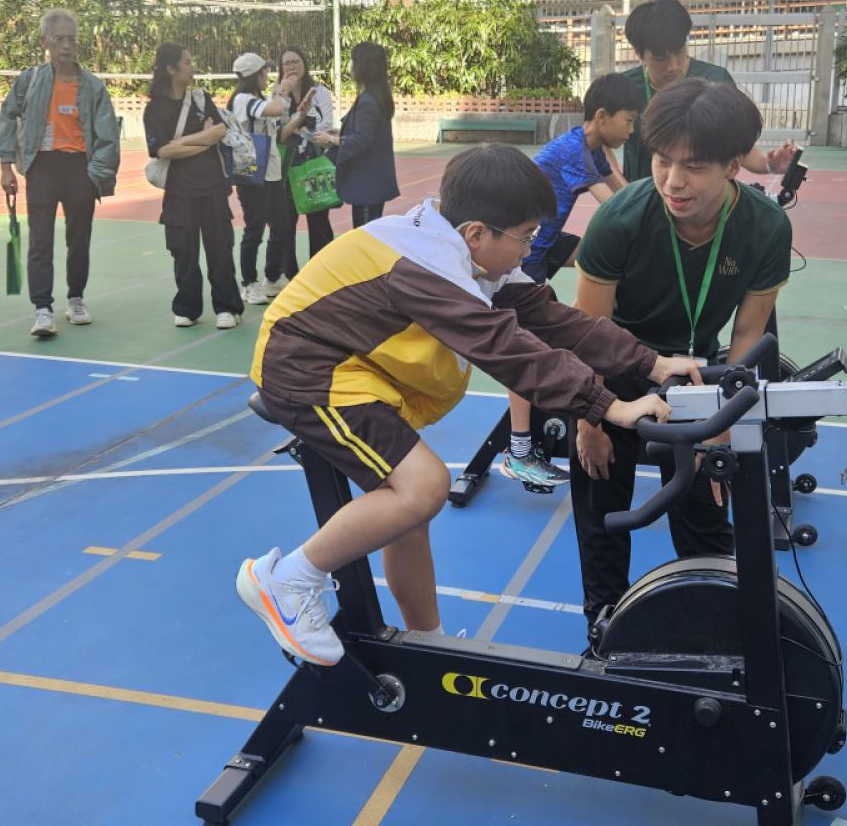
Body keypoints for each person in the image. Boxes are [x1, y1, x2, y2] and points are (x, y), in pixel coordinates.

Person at [236, 143, 704, 666]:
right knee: (424, 487)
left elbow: (553, 321)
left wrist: (649, 363)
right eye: (526, 237)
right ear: (477, 233)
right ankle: (287, 580)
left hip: (355, 369)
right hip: (308, 370)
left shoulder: (468, 254)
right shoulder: (426, 263)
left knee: (405, 513)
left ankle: (427, 643)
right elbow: (502, 347)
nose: (529, 250)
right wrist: (605, 405)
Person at [570, 79, 793, 640]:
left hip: (698, 374)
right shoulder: (619, 220)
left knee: (705, 510)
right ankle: (603, 626)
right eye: (662, 161)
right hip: (615, 371)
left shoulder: (766, 228)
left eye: (693, 167)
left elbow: (748, 331)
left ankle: (718, 625)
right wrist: (588, 421)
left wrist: (721, 428)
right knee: (601, 506)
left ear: (733, 166)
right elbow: (589, 333)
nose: (673, 181)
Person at [499, 72, 644, 490]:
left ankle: (580, 332)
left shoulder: (593, 148)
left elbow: (628, 193)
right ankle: (519, 451)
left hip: (544, 242)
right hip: (521, 251)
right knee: (524, 349)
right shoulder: (572, 151)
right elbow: (614, 207)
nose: (631, 131)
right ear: (602, 116)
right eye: (628, 120)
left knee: (602, 263)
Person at [0, 8, 120, 339]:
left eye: (71, 40)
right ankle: (42, 309)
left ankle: (76, 299)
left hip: (80, 168)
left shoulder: (92, 86)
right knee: (40, 240)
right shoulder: (29, 80)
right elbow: (8, 117)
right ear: (45, 42)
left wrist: (96, 174)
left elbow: (108, 134)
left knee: (79, 240)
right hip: (43, 167)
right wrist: (6, 165)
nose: (66, 45)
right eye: (59, 39)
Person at [620, 0, 796, 183]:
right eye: (660, 58)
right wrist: (623, 193)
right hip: (642, 195)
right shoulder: (624, 87)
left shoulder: (715, 81)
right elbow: (603, 146)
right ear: (639, 54)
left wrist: (768, 164)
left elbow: (734, 141)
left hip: (700, 196)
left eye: (679, 52)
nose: (672, 66)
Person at [143, 43, 242, 330]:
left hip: (212, 188)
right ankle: (187, 307)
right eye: (187, 62)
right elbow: (163, 151)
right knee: (183, 252)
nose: (192, 66)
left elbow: (219, 131)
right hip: (179, 193)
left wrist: (184, 143)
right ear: (171, 69)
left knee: (220, 250)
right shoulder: (154, 109)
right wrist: (202, 139)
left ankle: (227, 307)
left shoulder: (200, 99)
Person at [229, 51, 294, 306]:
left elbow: (277, 116)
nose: (267, 75)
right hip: (252, 173)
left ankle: (272, 276)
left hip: (271, 172)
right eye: (264, 71)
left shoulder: (257, 99)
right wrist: (282, 90)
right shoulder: (243, 100)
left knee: (281, 224)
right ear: (255, 75)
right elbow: (276, 107)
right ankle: (248, 283)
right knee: (254, 229)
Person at [314, 42, 397, 228]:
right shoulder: (377, 95)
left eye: (353, 62)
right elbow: (369, 132)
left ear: (363, 66)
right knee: (368, 230)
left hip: (368, 184)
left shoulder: (368, 100)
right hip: (373, 181)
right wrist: (340, 132)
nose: (351, 67)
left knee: (365, 231)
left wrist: (332, 140)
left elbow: (363, 138)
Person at [276, 46, 334, 279]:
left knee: (319, 219)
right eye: (287, 63)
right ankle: (288, 272)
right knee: (286, 221)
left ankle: (321, 272)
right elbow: (277, 130)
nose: (292, 66)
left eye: (296, 61)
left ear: (304, 64)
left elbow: (326, 124)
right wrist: (284, 95)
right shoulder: (278, 95)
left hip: (314, 163)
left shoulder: (320, 92)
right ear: (281, 68)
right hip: (287, 167)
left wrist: (299, 130)